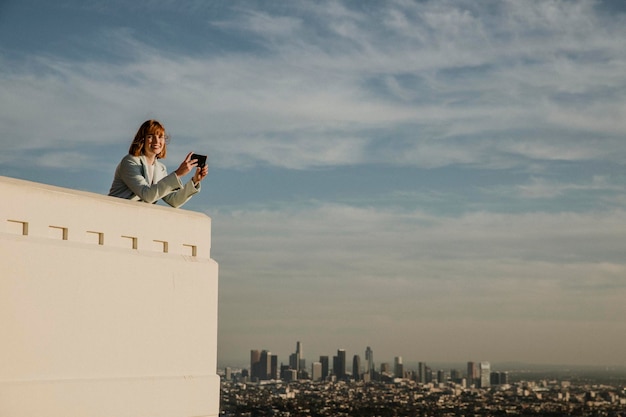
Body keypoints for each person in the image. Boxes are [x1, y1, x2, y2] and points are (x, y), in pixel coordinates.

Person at [108, 119, 208, 208]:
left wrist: (195, 181)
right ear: (142, 139)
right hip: (116, 214)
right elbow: (147, 195)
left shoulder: (160, 168)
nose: (156, 141)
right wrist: (178, 174)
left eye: (160, 137)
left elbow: (174, 200)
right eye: (150, 136)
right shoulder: (130, 162)